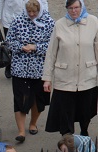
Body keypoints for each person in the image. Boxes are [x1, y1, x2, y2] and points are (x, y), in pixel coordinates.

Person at [42, 0, 98, 135]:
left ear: (82, 7)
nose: (74, 11)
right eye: (70, 8)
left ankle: (84, 133)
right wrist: (47, 78)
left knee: (85, 110)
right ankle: (67, 139)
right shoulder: (59, 24)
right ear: (66, 9)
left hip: (87, 76)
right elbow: (51, 53)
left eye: (76, 7)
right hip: (65, 78)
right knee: (65, 111)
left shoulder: (93, 22)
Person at [5, 0, 54, 141]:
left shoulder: (49, 22)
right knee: (20, 99)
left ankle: (33, 123)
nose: (31, 14)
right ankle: (21, 131)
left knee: (38, 99)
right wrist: (21, 47)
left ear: (40, 10)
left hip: (40, 69)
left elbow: (53, 45)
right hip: (20, 68)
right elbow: (9, 40)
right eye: (29, 11)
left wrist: (35, 47)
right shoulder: (18, 21)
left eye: (34, 12)